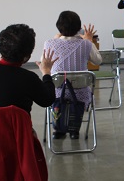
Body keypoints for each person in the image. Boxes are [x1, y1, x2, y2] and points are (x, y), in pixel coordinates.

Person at [0, 24, 57, 116]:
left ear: (1, 49)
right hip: (17, 130)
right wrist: (46, 72)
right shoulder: (29, 78)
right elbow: (47, 100)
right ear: (27, 57)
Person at [43, 10, 102, 139]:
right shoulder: (86, 44)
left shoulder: (49, 43)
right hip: (80, 93)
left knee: (58, 91)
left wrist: (55, 38)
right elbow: (98, 60)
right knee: (77, 94)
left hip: (56, 92)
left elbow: (44, 63)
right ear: (78, 28)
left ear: (59, 26)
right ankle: (74, 129)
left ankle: (59, 129)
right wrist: (89, 41)